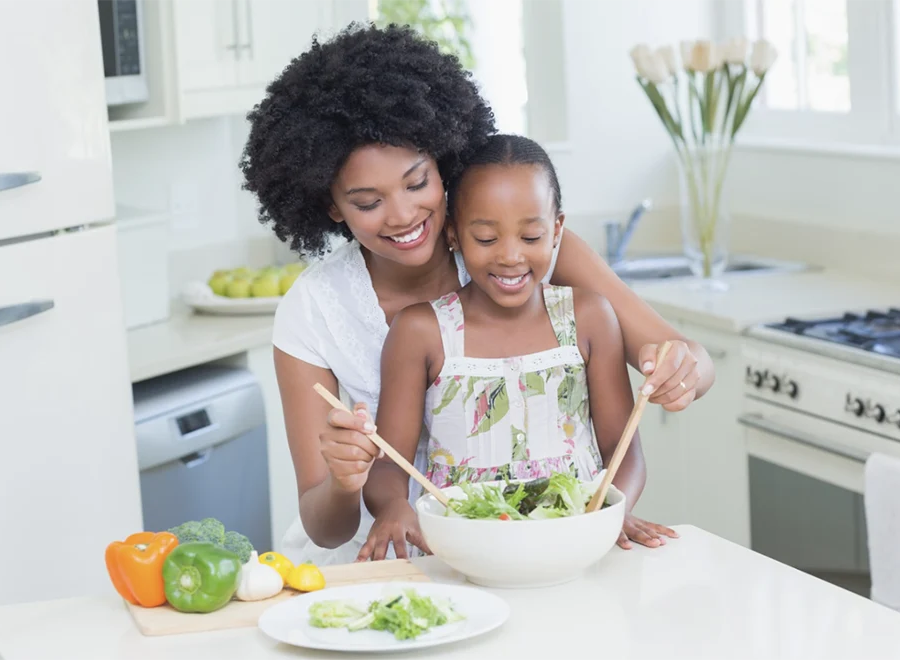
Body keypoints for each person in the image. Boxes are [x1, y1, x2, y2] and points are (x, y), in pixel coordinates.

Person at [240, 23, 714, 566]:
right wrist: (346, 482)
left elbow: (688, 362)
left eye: (417, 183)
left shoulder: (533, 254)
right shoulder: (313, 309)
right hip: (385, 562)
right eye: (368, 202)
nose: (402, 216)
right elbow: (324, 528)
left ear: (445, 161)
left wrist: (683, 370)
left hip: (536, 545)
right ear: (330, 206)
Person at [360, 134, 641, 560]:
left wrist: (611, 508)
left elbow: (624, 447)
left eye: (530, 237)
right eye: (487, 239)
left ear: (557, 230)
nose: (510, 257)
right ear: (453, 235)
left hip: (573, 544)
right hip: (462, 552)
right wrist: (393, 506)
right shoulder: (421, 330)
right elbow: (387, 464)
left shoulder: (589, 316)